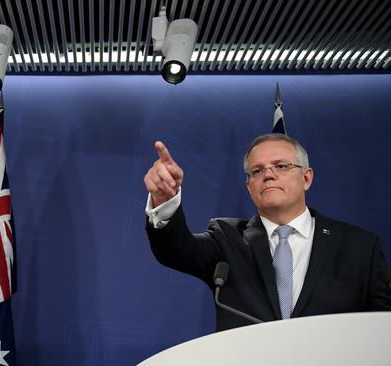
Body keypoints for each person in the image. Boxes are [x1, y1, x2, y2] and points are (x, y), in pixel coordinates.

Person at [144, 133, 391, 330]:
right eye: (257, 171)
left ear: (306, 178)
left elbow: (383, 329)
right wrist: (165, 199)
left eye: (281, 166)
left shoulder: (360, 246)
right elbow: (175, 250)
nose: (269, 175)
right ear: (249, 186)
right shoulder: (226, 239)